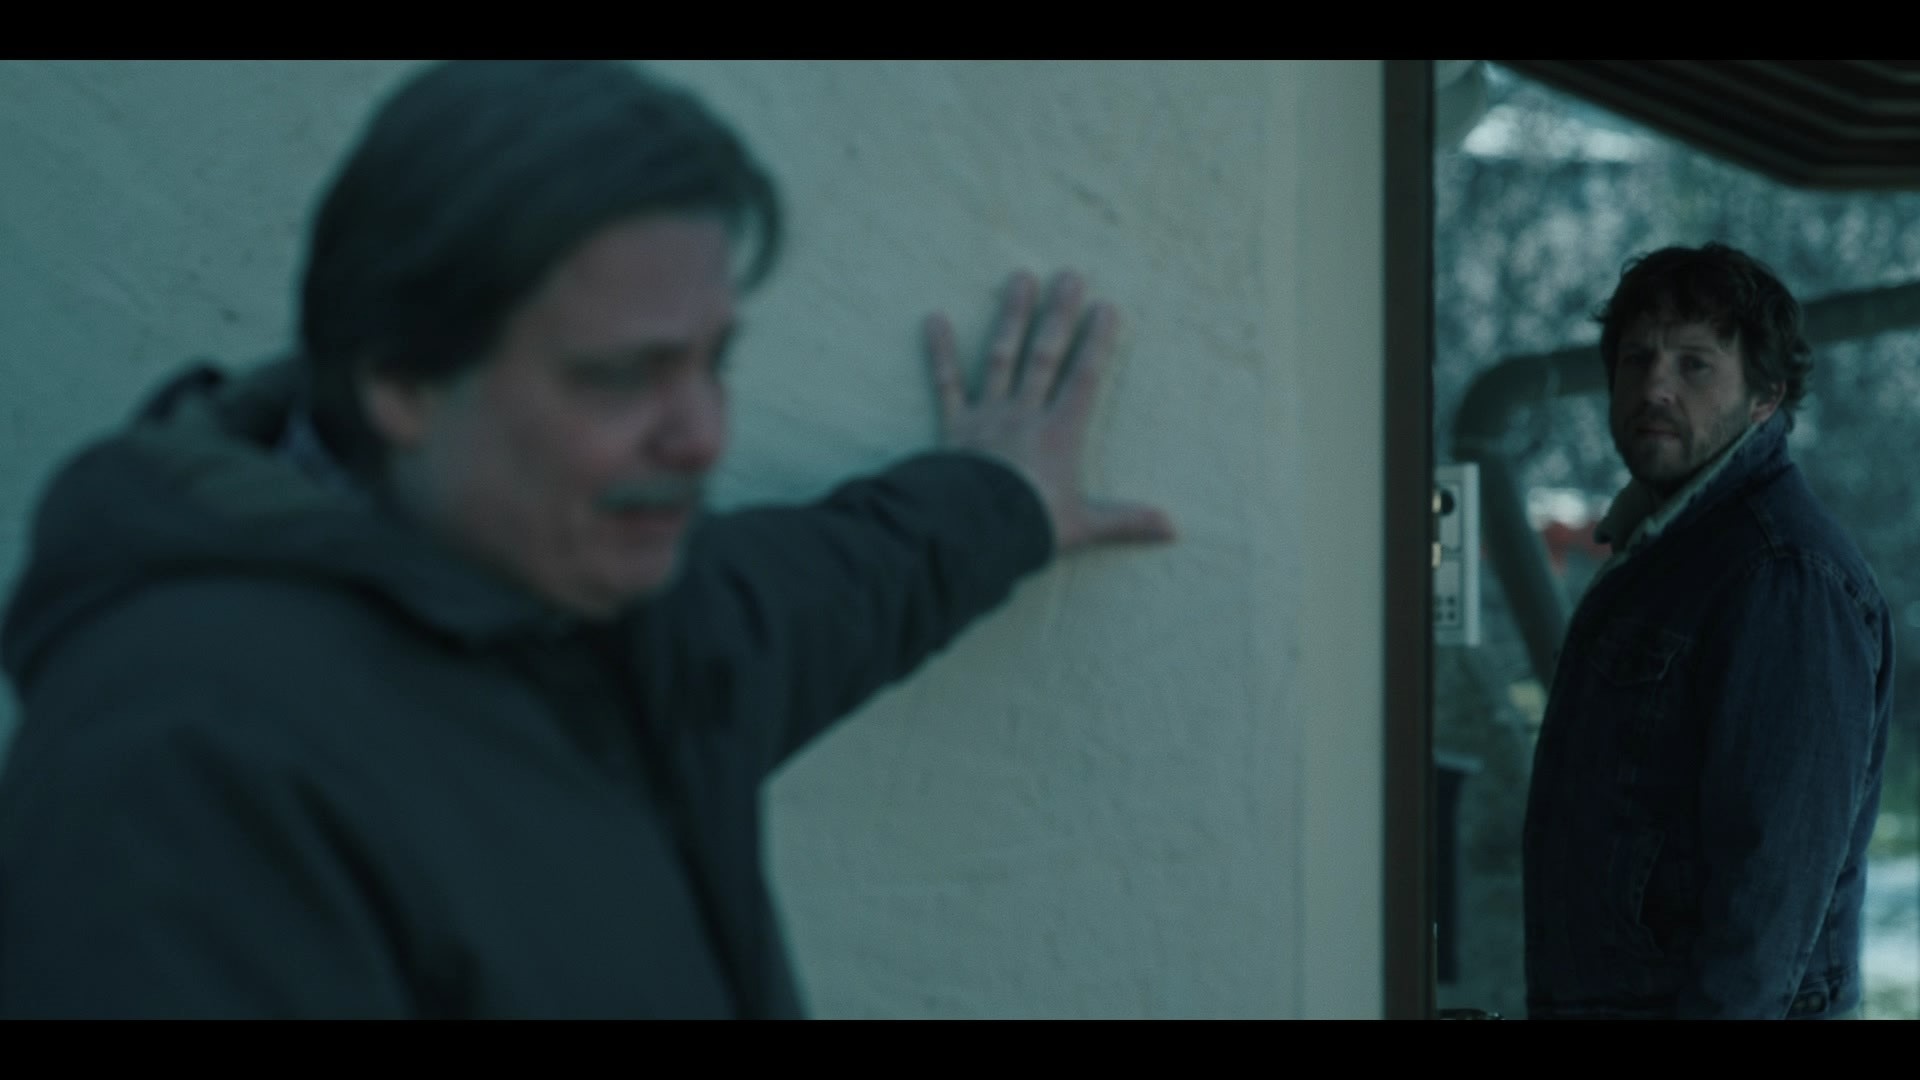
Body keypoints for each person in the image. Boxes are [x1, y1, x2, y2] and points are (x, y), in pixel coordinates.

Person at [0, 59, 1175, 1019]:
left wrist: (1000, 494)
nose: (703, 434)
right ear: (399, 378)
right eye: (624, 376)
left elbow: (817, 594)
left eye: (715, 363)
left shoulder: (584, 601)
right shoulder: (181, 766)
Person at [1522, 242, 1894, 1020]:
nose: (1654, 386)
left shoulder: (1782, 575)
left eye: (1694, 364)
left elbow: (1769, 897)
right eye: (1636, 359)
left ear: (1766, 396)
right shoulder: (1667, 551)